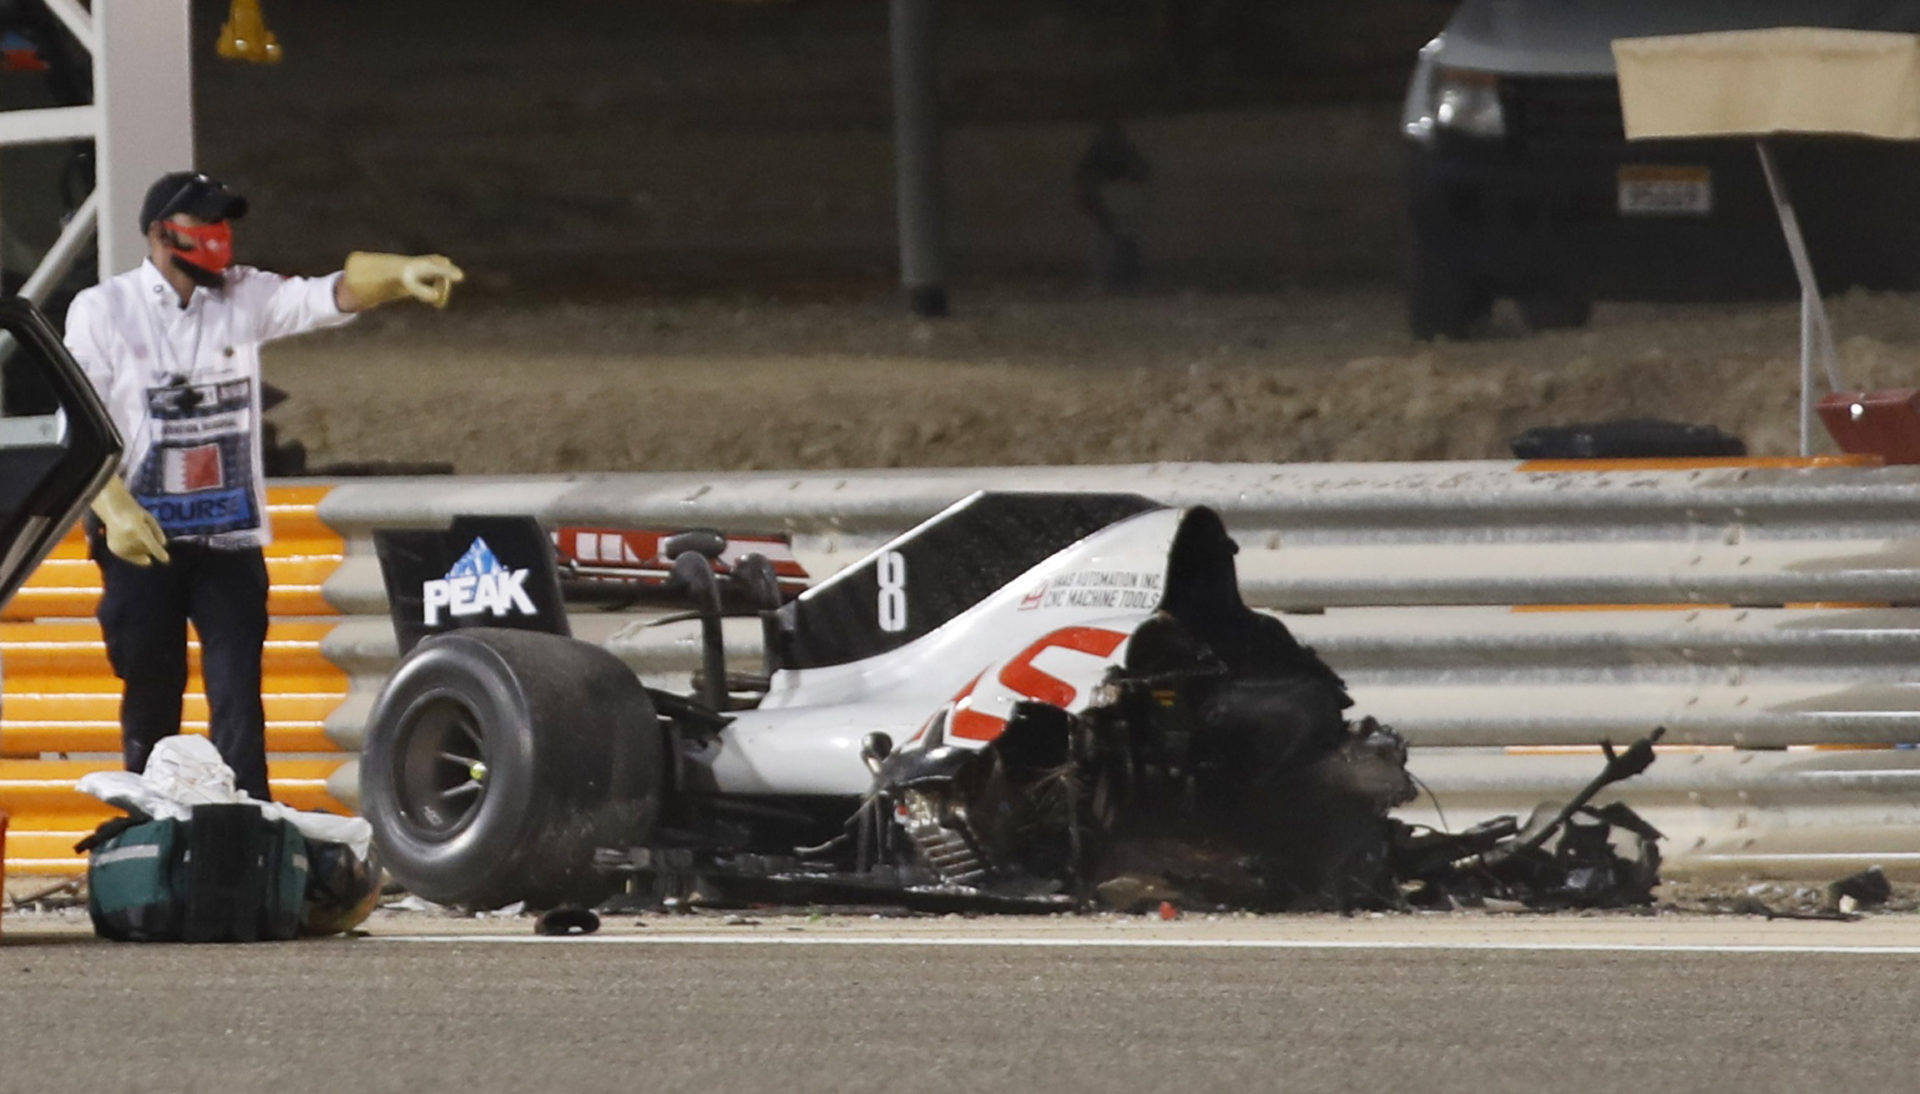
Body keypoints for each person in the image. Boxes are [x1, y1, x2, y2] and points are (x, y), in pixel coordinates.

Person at [65, 170, 464, 800]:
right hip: (142, 538)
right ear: (162, 235)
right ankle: (145, 820)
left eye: (225, 225)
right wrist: (113, 509)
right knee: (151, 685)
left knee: (237, 692)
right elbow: (82, 421)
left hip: (228, 537)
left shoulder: (244, 295)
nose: (221, 238)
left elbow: (326, 296)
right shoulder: (102, 310)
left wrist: (398, 275)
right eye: (207, 225)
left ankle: (247, 818)